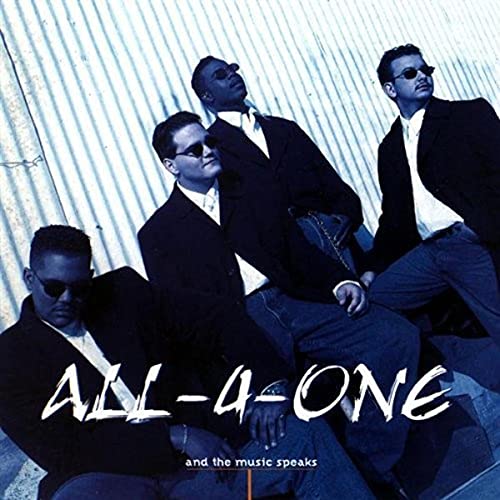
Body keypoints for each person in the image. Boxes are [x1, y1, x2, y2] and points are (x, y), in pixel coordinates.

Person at [138, 111, 421, 492]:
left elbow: (296, 249)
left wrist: (339, 281)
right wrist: (251, 382)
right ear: (171, 165)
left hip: (295, 300)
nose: (208, 151)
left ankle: (370, 459)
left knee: (396, 339)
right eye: (195, 149)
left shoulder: (251, 189)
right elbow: (190, 322)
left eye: (210, 142)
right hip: (243, 330)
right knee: (287, 418)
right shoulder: (159, 233)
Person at [0, 225, 374, 500]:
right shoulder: (10, 359)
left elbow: (218, 316)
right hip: (119, 482)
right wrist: (175, 437)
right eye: (54, 287)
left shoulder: (122, 294)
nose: (67, 299)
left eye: (79, 288)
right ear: (30, 278)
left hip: (207, 465)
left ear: (90, 279)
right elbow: (65, 450)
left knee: (303, 438)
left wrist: (271, 387)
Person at [361, 44, 500, 346]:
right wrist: (372, 268)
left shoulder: (467, 114)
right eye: (410, 73)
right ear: (390, 89)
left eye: (426, 70)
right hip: (428, 254)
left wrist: (477, 229)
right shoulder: (390, 147)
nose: (422, 76)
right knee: (377, 301)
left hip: (469, 243)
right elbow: (393, 216)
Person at [191, 56, 364, 273]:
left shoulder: (285, 129)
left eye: (232, 69)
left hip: (336, 244)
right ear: (207, 96)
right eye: (221, 75)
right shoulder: (212, 148)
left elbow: (332, 183)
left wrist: (346, 216)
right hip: (287, 264)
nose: (233, 75)